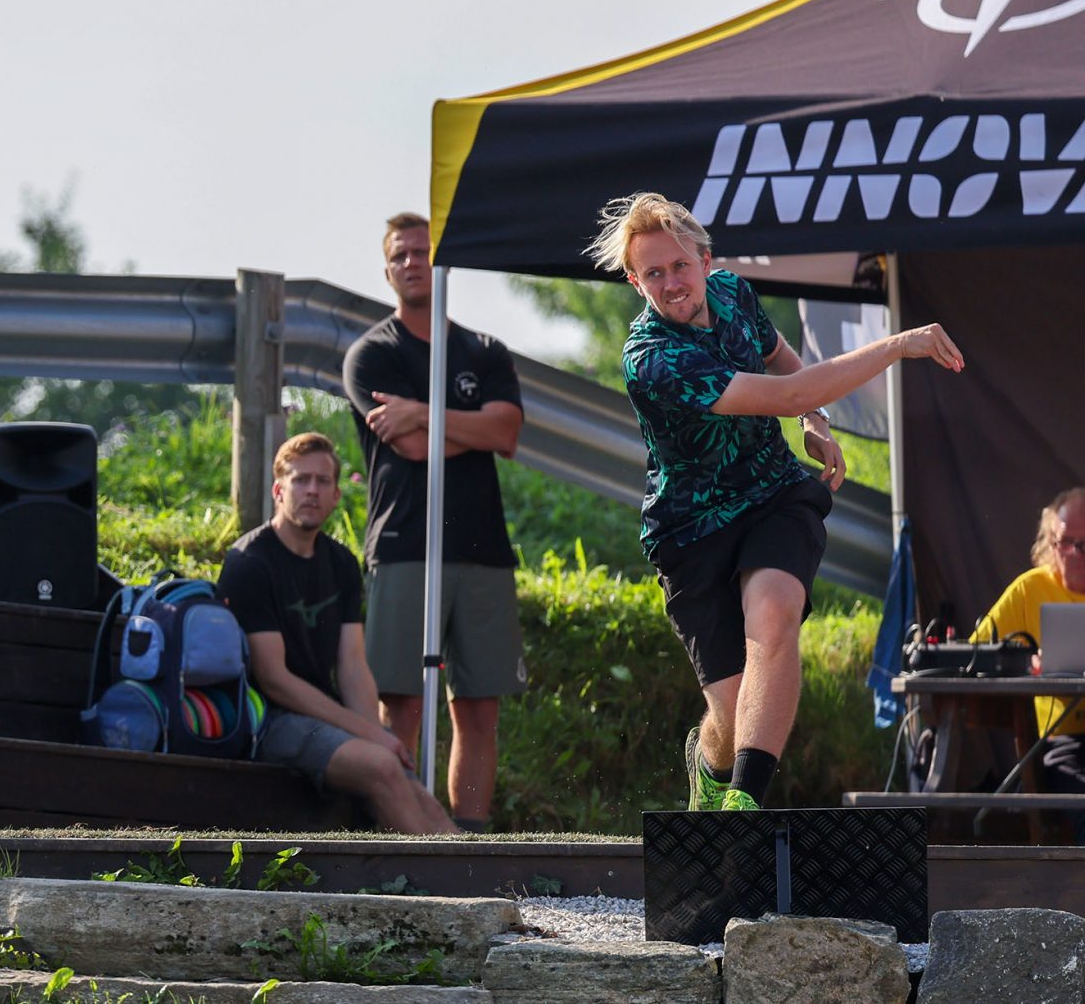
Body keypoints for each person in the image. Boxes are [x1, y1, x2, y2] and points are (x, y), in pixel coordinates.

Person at [587, 191, 964, 810]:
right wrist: (896, 346)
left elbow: (781, 362)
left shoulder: (733, 292)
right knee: (730, 713)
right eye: (653, 273)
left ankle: (744, 806)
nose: (672, 283)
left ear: (706, 261)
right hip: (691, 532)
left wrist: (817, 419)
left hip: (773, 496)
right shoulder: (652, 359)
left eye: (680, 266)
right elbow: (787, 395)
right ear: (634, 281)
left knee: (774, 610)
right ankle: (709, 772)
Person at [342, 211, 524, 833]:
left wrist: (421, 411)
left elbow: (506, 432)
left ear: (442, 263)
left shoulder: (484, 351)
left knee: (478, 708)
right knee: (401, 704)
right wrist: (467, 427)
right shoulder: (372, 354)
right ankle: (404, 835)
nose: (412, 263)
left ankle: (467, 841)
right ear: (387, 270)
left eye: (421, 252)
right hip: (406, 544)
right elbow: (414, 450)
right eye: (400, 255)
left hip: (482, 548)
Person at [217, 432, 458, 834]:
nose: (312, 490)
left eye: (322, 481)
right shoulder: (249, 563)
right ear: (279, 490)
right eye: (300, 480)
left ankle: (475, 870)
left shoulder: (342, 563)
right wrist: (369, 734)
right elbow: (274, 681)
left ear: (335, 496)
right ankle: (433, 873)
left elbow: (352, 666)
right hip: (267, 721)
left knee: (418, 792)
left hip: (324, 716)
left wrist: (376, 732)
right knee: (382, 766)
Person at [969, 490, 1085, 819]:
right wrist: (1025, 664)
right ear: (1051, 541)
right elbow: (976, 653)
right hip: (1063, 742)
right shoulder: (1029, 589)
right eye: (1066, 542)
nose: (1075, 554)